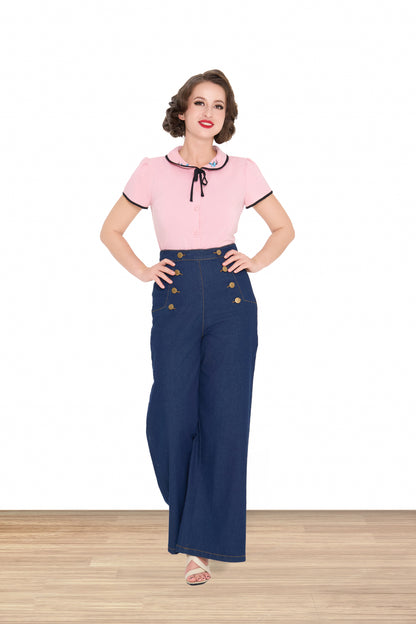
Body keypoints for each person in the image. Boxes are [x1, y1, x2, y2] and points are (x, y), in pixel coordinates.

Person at [100, 69, 295, 586]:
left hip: (231, 298)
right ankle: (195, 517)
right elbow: (111, 230)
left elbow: (284, 228)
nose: (210, 113)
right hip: (175, 293)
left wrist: (255, 260)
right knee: (171, 415)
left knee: (225, 421)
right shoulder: (151, 170)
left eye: (220, 106)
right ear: (182, 110)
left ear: (226, 118)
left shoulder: (244, 170)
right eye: (200, 103)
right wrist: (143, 270)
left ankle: (199, 549)